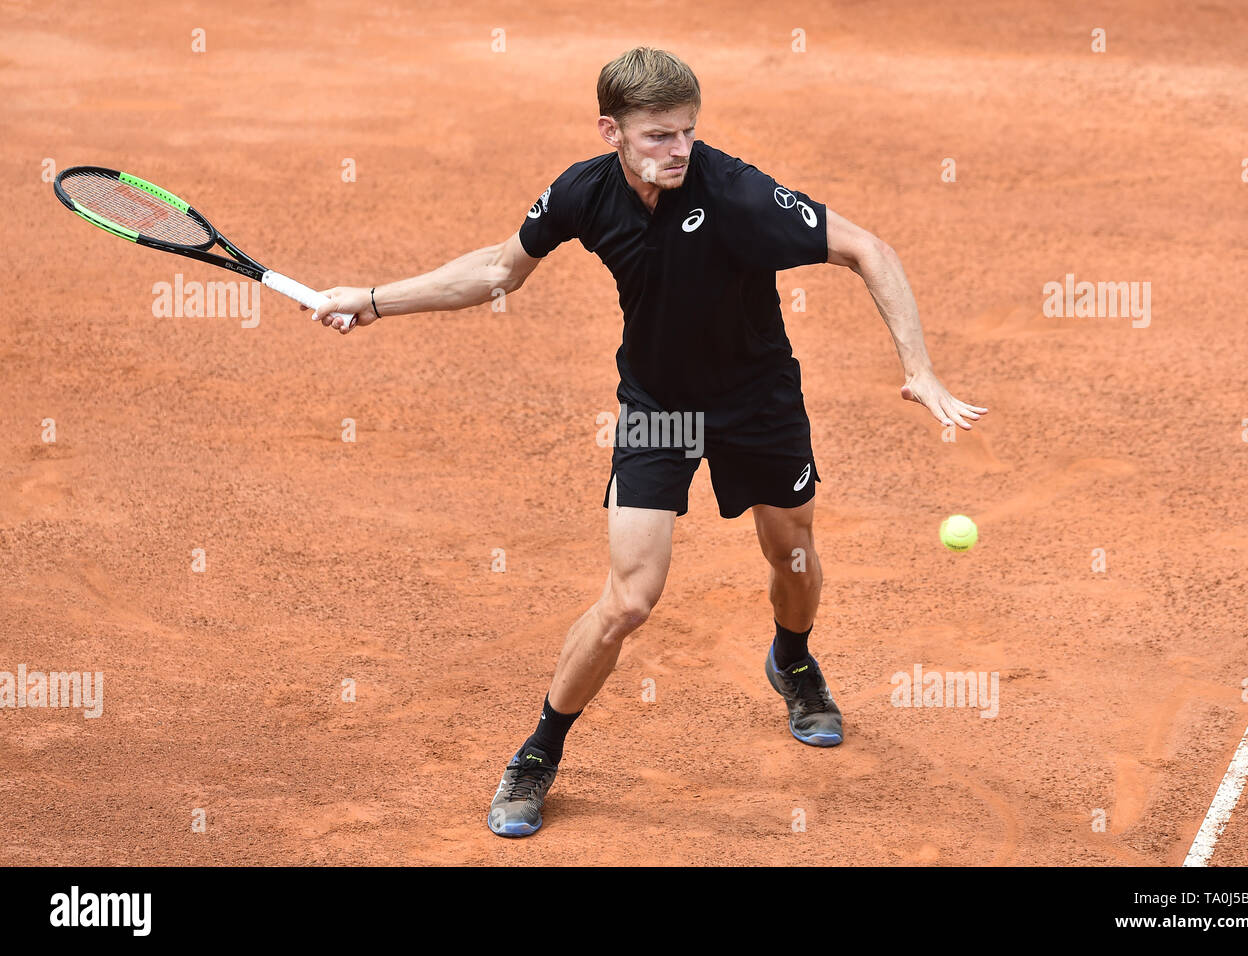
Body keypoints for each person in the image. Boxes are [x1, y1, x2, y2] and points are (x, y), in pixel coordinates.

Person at [310, 47, 987, 838]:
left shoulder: (736, 192)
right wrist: (372, 300)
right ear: (612, 132)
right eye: (660, 135)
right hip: (660, 407)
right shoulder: (582, 192)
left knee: (791, 554)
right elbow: (498, 271)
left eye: (687, 133)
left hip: (757, 403)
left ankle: (793, 660)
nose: (678, 150)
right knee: (630, 599)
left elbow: (871, 250)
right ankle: (538, 752)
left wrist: (921, 371)